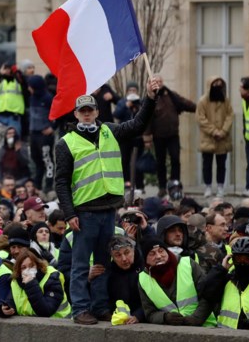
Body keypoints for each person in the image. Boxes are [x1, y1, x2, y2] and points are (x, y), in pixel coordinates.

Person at [55, 76, 159, 325]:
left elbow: (137, 124)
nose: (87, 114)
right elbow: (61, 183)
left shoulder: (109, 131)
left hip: (108, 210)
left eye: (90, 110)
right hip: (84, 212)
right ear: (77, 114)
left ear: (97, 112)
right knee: (81, 265)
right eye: (83, 111)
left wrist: (150, 98)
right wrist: (69, 214)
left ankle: (100, 306)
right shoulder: (66, 143)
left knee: (103, 263)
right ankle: (80, 309)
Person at [200, 237, 249, 330]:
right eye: (238, 259)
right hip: (226, 335)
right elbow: (207, 293)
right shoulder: (227, 278)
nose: (242, 263)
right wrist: (221, 270)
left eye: (246, 259)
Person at [138, 237, 215, 326]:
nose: (158, 256)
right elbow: (150, 313)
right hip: (172, 333)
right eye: (152, 254)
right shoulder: (143, 279)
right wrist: (164, 317)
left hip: (204, 326)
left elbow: (208, 294)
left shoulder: (188, 264)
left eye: (161, 251)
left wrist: (196, 318)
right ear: (145, 259)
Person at [144, 76, 196, 196]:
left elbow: (184, 103)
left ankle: (175, 184)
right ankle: (162, 187)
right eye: (156, 82)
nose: (159, 83)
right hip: (158, 136)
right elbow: (147, 119)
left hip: (173, 135)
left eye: (160, 81)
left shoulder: (171, 95)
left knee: (175, 159)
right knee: (160, 162)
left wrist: (199, 108)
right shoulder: (151, 98)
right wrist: (147, 137)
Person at [0, 247, 70, 318]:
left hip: (59, 323)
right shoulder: (16, 282)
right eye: (24, 268)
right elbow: (10, 302)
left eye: (31, 266)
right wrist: (3, 310)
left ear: (38, 265)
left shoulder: (52, 278)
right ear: (19, 271)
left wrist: (31, 284)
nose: (28, 270)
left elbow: (46, 311)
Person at [196, 77, 233, 198]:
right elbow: (201, 119)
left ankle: (221, 187)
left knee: (221, 164)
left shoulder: (225, 101)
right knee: (207, 164)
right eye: (215, 84)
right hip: (208, 138)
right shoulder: (203, 101)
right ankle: (208, 187)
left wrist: (223, 131)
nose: (218, 86)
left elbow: (230, 116)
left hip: (223, 138)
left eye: (220, 84)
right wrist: (213, 131)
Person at [113, 82, 145, 191]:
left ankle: (139, 185)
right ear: (127, 92)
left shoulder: (141, 102)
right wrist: (126, 106)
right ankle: (126, 182)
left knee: (138, 162)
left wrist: (138, 107)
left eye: (134, 90)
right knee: (124, 160)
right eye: (130, 90)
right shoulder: (122, 102)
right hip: (125, 136)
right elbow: (116, 114)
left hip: (137, 137)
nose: (132, 92)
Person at [106, 235, 144, 324]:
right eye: (118, 255)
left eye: (127, 253)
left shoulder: (145, 268)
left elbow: (153, 300)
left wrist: (139, 315)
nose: (124, 259)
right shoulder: (110, 274)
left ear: (134, 250)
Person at [28, 74, 56, 193]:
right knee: (37, 160)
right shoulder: (32, 97)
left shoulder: (48, 98)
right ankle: (37, 185)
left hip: (44, 135)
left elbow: (58, 114)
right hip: (33, 134)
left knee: (47, 160)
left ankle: (48, 186)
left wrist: (52, 127)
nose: (29, 88)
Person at [0, 62, 28, 136]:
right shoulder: (0, 82)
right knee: (0, 140)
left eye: (9, 69)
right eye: (5, 69)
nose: (7, 71)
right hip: (1, 116)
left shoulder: (18, 82)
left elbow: (26, 85)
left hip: (14, 116)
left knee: (14, 139)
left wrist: (17, 72)